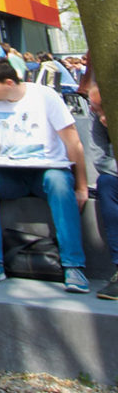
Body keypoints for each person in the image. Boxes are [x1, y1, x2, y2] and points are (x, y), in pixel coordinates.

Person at [0, 56, 89, 292]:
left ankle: (73, 265)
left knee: (58, 180)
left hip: (47, 172)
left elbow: (73, 142)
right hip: (11, 174)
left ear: (9, 83)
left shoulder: (45, 96)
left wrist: (82, 186)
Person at [85, 84, 118, 299]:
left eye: (101, 108)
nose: (98, 114)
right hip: (115, 173)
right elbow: (99, 156)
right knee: (106, 184)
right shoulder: (96, 115)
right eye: (94, 108)